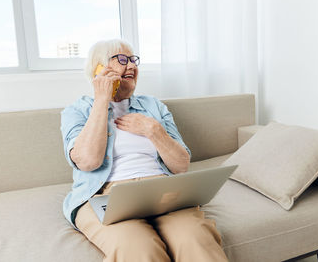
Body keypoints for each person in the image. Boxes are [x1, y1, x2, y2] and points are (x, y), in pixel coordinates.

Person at [60, 39, 229, 262]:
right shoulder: (76, 111)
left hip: (162, 189)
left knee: (194, 238)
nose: (131, 66)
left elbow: (181, 165)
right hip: (106, 195)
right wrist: (102, 99)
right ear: (98, 69)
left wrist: (153, 130)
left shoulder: (154, 107)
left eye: (133, 60)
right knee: (137, 248)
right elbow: (88, 161)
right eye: (121, 59)